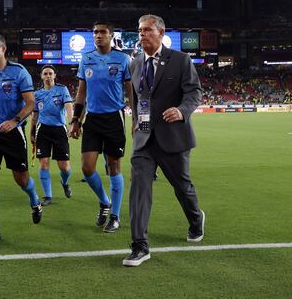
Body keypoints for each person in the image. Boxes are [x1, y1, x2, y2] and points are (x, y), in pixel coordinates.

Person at [123, 14, 205, 267]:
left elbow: (194, 92)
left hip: (172, 135)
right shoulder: (135, 63)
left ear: (161, 32)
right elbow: (138, 98)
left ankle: (195, 219)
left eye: (147, 30)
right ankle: (139, 246)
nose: (142, 34)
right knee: (139, 191)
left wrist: (182, 110)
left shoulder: (180, 60)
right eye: (139, 30)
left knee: (183, 187)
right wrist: (137, 121)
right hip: (144, 137)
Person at [0, 33, 42, 246]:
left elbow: (31, 103)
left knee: (21, 179)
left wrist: (15, 121)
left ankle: (34, 200)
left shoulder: (19, 72)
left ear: (3, 49)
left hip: (13, 132)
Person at [69, 21, 133, 233]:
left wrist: (135, 119)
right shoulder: (86, 58)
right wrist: (76, 120)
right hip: (93, 119)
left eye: (103, 32)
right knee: (87, 168)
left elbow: (131, 92)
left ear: (111, 35)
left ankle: (114, 216)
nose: (98, 35)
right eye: (95, 32)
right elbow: (81, 92)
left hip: (114, 118)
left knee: (113, 166)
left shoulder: (123, 59)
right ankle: (105, 202)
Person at [30, 65, 73, 206]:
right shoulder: (37, 94)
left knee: (65, 167)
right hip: (43, 130)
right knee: (44, 163)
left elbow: (68, 107)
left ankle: (65, 182)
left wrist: (71, 124)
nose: (48, 76)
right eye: (45, 74)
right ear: (41, 76)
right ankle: (48, 196)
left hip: (59, 130)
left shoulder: (62, 90)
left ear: (54, 75)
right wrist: (31, 132)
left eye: (50, 73)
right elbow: (35, 115)